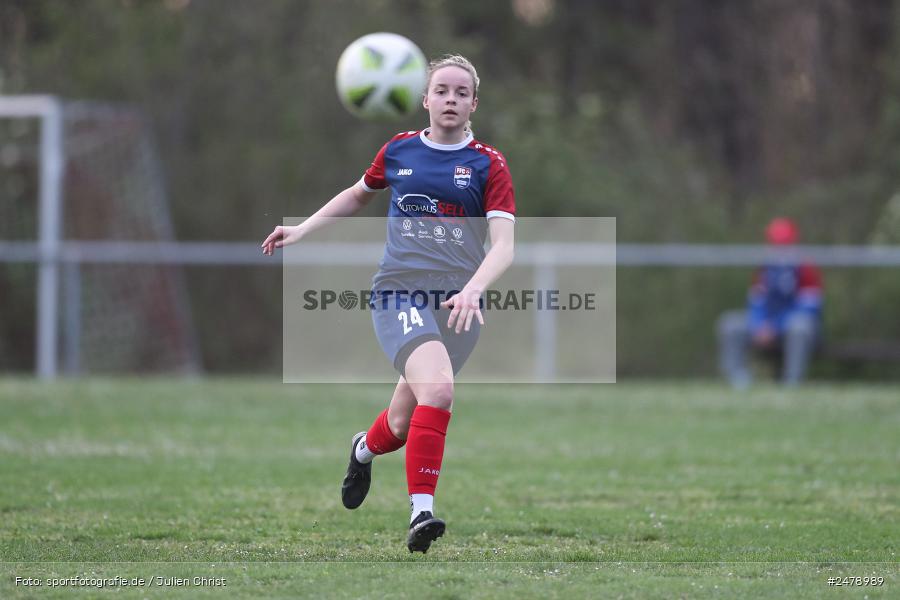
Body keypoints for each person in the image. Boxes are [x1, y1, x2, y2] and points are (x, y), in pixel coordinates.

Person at [261, 55, 515, 553]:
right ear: (425, 99)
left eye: (461, 93)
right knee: (439, 390)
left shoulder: (489, 164)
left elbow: (504, 245)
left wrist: (473, 288)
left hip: (458, 306)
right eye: (441, 90)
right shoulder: (399, 150)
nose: (450, 99)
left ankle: (362, 449)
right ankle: (421, 513)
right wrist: (303, 228)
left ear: (473, 104)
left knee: (400, 425)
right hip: (399, 292)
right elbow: (358, 195)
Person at [717, 218, 823, 388]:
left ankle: (792, 382)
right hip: (766, 327)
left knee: (799, 326)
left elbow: (809, 308)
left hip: (792, 326)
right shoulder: (765, 268)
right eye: (775, 243)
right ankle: (738, 381)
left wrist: (775, 327)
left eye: (784, 244)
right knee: (730, 323)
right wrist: (760, 325)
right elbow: (756, 303)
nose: (779, 249)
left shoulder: (806, 269)